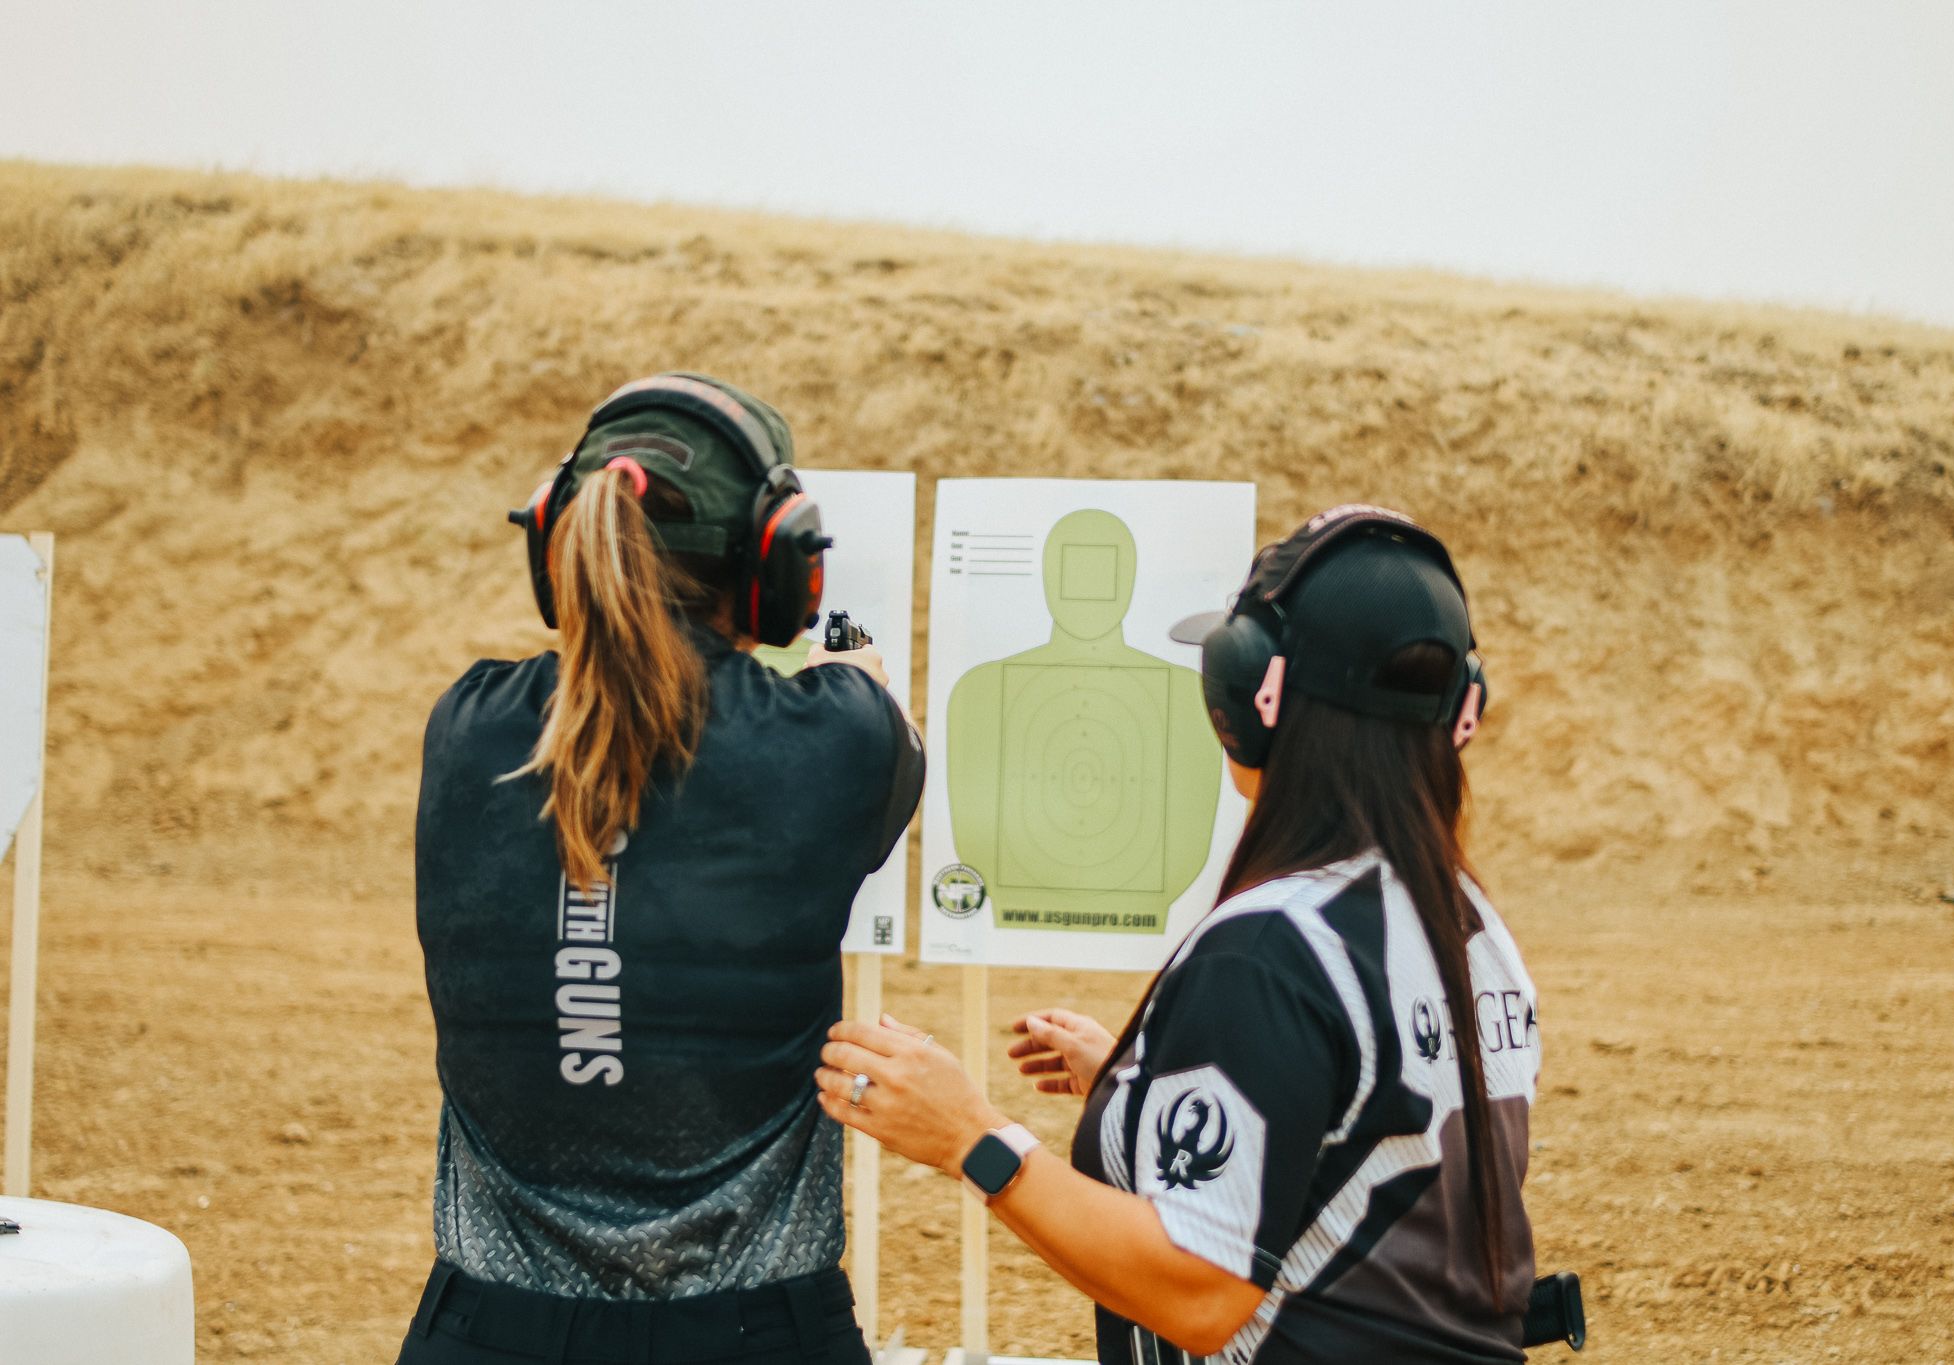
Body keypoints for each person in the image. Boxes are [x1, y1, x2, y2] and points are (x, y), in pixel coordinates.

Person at [819, 506, 1541, 1363]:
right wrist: (1144, 1095)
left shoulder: (1271, 951)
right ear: (1461, 710)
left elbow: (1197, 1290)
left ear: (1252, 699)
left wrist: (969, 1134)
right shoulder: (1468, 922)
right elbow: (1351, 1134)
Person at [401, 373, 924, 1365]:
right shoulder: (837, 738)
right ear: (777, 565)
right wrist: (854, 684)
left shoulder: (466, 726)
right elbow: (854, 745)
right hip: (751, 1333)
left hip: (483, 1334)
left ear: (554, 540)